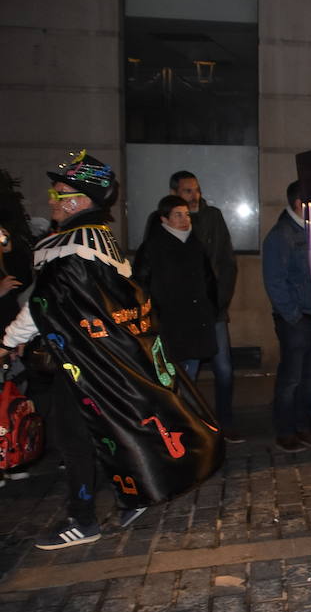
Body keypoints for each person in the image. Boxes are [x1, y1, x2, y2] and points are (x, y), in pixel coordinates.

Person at [1, 152, 223, 547]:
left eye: (61, 192)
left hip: (85, 364)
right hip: (111, 359)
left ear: (82, 200)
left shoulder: (68, 249)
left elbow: (42, 307)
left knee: (75, 435)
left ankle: (83, 519)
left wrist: (7, 341)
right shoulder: (99, 241)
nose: (53, 198)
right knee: (116, 426)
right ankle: (133, 492)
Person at [166, 171, 241, 443]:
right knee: (188, 370)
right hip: (187, 313)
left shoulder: (213, 217)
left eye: (196, 190)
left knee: (224, 368)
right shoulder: (171, 220)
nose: (194, 195)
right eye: (187, 191)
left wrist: (219, 300)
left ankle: (225, 421)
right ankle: (189, 425)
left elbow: (226, 261)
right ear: (175, 193)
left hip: (213, 308)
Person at [262, 181, 311, 454]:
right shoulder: (280, 235)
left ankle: (303, 426)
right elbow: (274, 281)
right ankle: (286, 430)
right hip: (297, 318)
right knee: (291, 377)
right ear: (300, 203)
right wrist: (292, 315)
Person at [134, 195, 217, 377]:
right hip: (168, 323)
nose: (185, 220)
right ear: (164, 219)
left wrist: (211, 310)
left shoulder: (196, 244)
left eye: (187, 214)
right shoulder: (152, 246)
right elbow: (140, 284)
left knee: (191, 375)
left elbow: (208, 280)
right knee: (172, 377)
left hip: (197, 321)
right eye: (178, 215)